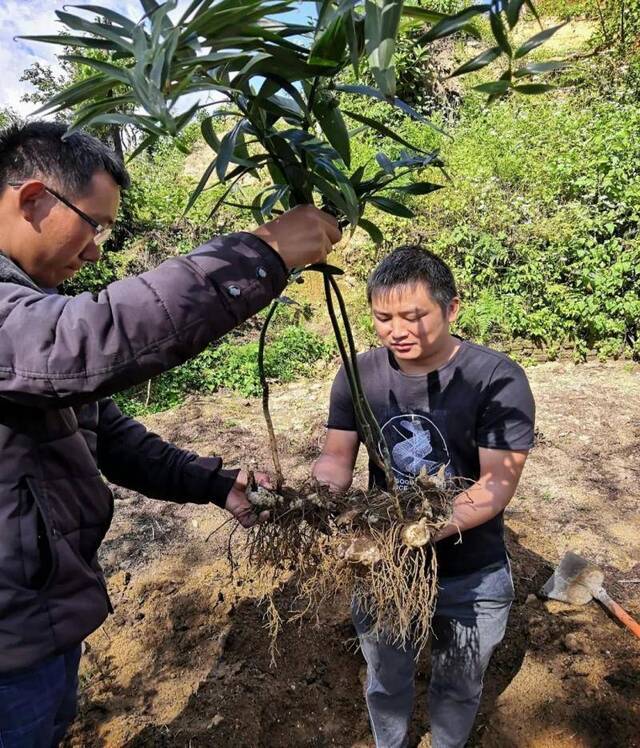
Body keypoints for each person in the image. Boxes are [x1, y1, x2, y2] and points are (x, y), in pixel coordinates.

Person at [0, 120, 340, 747]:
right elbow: (86, 339)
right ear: (33, 199)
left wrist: (214, 482)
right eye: (94, 224)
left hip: (36, 625)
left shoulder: (23, 314)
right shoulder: (22, 322)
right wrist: (259, 253)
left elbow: (105, 436)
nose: (97, 248)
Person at [313, 245, 535, 748]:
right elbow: (336, 457)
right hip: (385, 570)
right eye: (383, 318)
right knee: (386, 680)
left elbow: (496, 485)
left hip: (470, 573)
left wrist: (416, 531)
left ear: (452, 307)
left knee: (458, 686)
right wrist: (317, 497)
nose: (398, 330)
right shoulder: (359, 372)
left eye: (414, 316)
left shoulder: (496, 379)